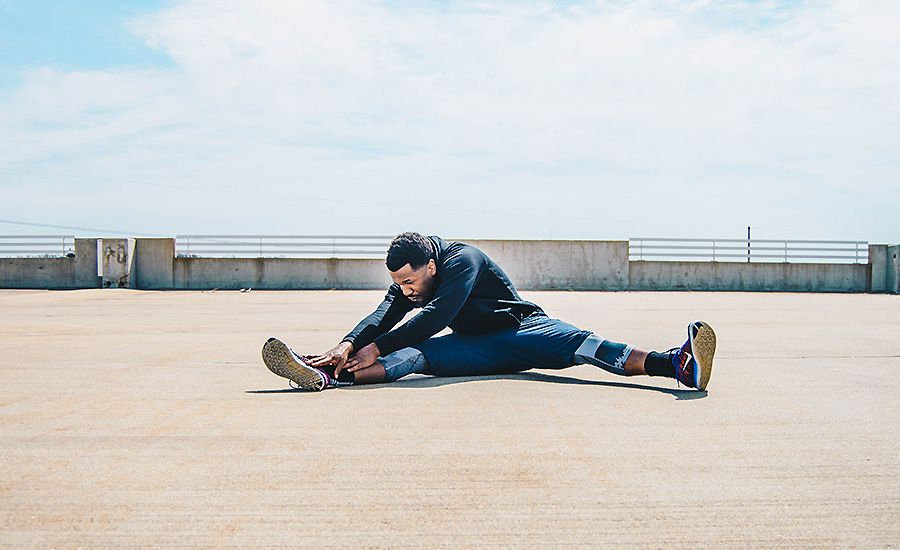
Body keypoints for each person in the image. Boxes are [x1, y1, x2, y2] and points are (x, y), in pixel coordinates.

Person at [261, 232, 716, 392]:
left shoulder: (464, 260)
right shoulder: (410, 279)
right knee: (414, 356)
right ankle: (327, 375)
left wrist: (376, 345)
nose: (405, 291)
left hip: (523, 330)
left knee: (586, 345)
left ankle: (677, 365)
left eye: (411, 282)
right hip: (472, 346)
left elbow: (437, 316)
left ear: (432, 266)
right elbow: (385, 313)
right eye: (399, 283)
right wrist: (349, 344)